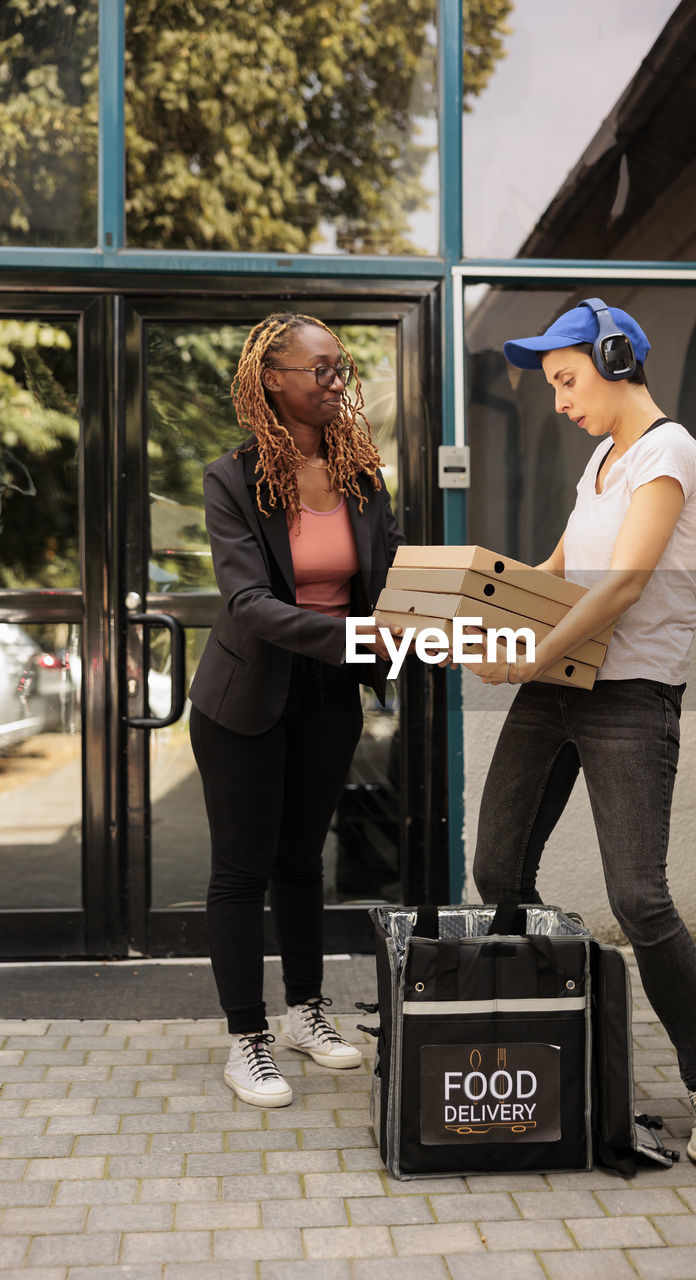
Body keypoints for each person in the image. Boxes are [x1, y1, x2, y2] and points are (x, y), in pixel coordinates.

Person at [468, 299, 696, 1166]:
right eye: (550, 385)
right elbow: (557, 567)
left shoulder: (668, 453)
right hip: (555, 688)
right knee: (497, 868)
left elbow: (623, 584)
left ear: (616, 356)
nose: (557, 401)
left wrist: (526, 653)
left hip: (630, 697)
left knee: (639, 897)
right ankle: (546, 1026)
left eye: (565, 379)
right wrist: (471, 602)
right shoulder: (601, 457)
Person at [188, 311, 403, 1107]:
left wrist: (426, 621)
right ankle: (246, 1040)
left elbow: (391, 577)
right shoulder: (231, 477)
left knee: (302, 863)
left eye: (341, 368)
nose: (336, 381)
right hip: (245, 696)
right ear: (272, 379)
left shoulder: (361, 476)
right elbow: (246, 602)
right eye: (321, 369)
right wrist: (355, 630)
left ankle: (306, 1015)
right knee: (243, 870)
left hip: (329, 694)